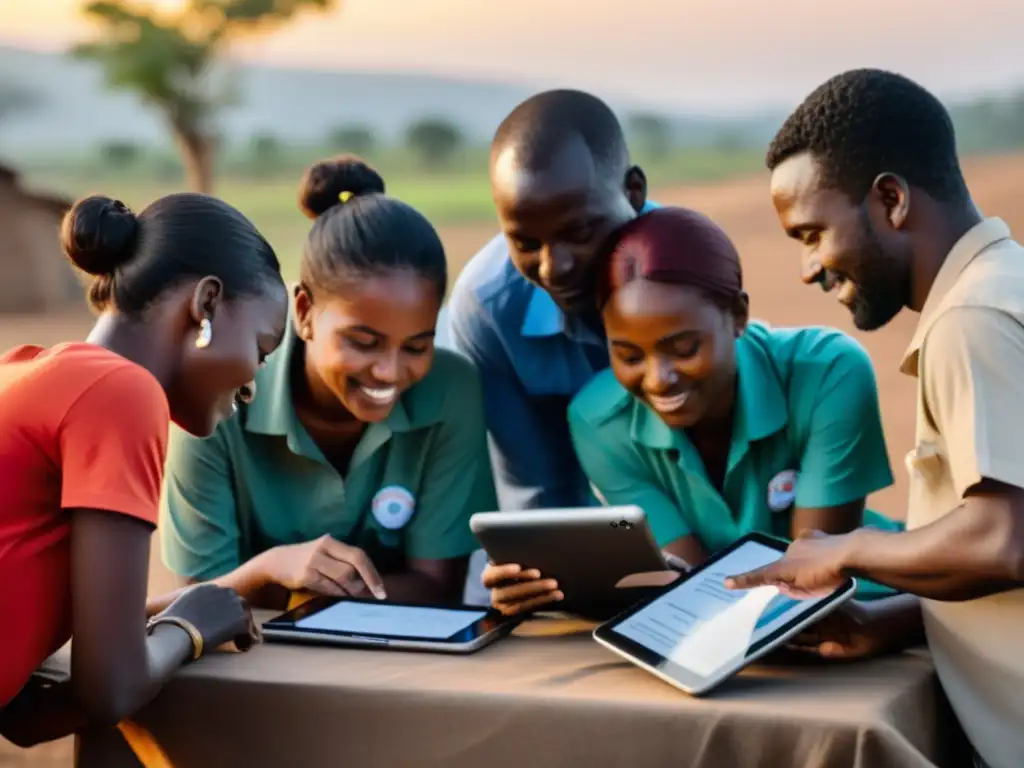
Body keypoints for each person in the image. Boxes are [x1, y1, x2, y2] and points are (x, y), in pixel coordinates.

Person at [724, 69, 1024, 768]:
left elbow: (1005, 537)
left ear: (890, 199)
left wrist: (843, 549)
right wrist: (893, 622)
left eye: (812, 232)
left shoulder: (971, 318)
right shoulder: (1003, 284)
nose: (807, 268)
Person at [484, 207, 908, 634]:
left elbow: (808, 578)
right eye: (628, 356)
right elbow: (687, 583)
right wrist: (560, 587)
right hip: (718, 628)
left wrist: (675, 588)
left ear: (738, 315)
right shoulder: (598, 420)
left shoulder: (828, 371)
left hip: (860, 610)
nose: (658, 379)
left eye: (684, 349)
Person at [0, 192, 286, 747]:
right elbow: (111, 689)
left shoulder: (26, 370)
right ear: (206, 303)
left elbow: (25, 718)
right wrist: (189, 627)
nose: (253, 386)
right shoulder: (122, 393)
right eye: (262, 346)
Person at [157, 156, 496, 610]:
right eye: (363, 342)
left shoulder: (451, 388)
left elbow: (438, 589)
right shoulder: (216, 397)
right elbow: (200, 599)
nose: (390, 372)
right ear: (303, 312)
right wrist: (271, 567)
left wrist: (289, 591)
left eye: (416, 346)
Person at [448, 89, 656, 512]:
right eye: (524, 242)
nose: (552, 268)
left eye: (579, 233)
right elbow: (538, 490)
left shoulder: (690, 265)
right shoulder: (486, 308)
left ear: (633, 192)